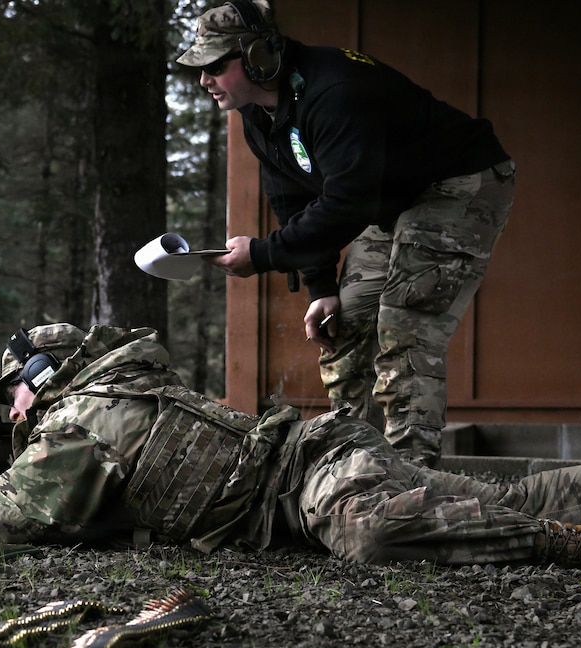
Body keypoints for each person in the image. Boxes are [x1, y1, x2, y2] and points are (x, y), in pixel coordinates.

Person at [0, 323, 581, 572]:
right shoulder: (126, 381)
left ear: (46, 374)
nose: (14, 412)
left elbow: (5, 521)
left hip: (306, 481)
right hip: (315, 451)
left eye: (15, 393)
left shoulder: (79, 419)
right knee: (500, 494)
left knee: (369, 532)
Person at [177, 0, 516, 468]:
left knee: (405, 329)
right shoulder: (257, 110)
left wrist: (263, 255)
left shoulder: (334, 91)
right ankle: (356, 468)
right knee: (346, 325)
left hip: (457, 184)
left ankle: (408, 489)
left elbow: (345, 205)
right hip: (386, 198)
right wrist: (321, 287)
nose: (203, 81)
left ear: (259, 56)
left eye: (215, 66)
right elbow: (292, 199)